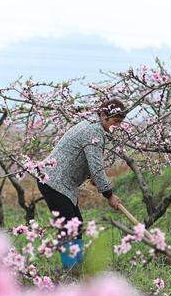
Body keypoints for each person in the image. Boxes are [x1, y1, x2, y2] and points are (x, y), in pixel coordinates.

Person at [37, 98, 126, 268]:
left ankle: (75, 268)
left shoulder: (92, 124)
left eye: (120, 122)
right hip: (53, 182)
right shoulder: (93, 130)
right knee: (70, 228)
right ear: (103, 114)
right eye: (115, 121)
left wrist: (91, 176)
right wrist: (109, 194)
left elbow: (87, 162)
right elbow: (96, 166)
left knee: (75, 224)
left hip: (60, 183)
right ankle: (70, 271)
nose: (117, 126)